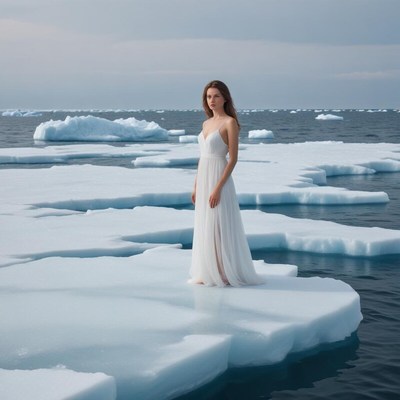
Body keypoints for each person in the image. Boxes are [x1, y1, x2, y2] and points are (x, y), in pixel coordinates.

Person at [189, 80, 263, 287]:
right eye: (208, 96)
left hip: (219, 179)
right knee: (206, 224)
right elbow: (202, 157)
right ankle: (208, 270)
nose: (211, 100)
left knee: (220, 224)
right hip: (204, 177)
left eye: (216, 96)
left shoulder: (230, 123)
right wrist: (196, 186)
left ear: (225, 98)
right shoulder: (205, 124)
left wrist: (218, 188)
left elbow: (233, 159)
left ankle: (224, 271)